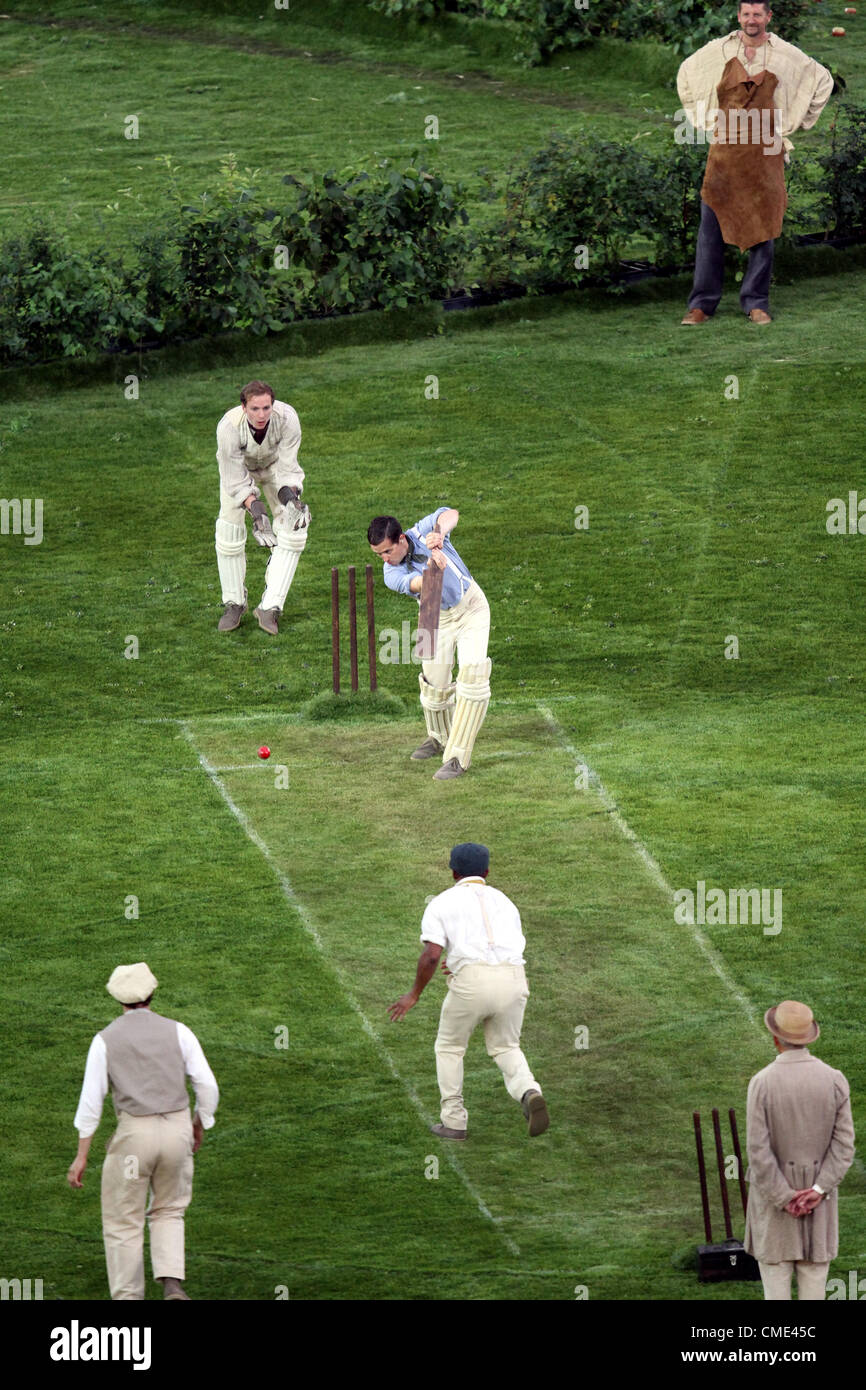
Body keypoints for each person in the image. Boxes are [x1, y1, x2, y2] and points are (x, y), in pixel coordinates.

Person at [67, 963, 219, 1301]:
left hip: (135, 1137)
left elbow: (91, 1102)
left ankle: (128, 1298)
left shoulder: (105, 1040)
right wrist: (198, 1123)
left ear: (118, 998)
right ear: (152, 993)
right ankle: (172, 1285)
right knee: (169, 1209)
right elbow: (207, 1085)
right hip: (177, 1131)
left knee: (124, 1220)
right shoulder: (179, 1031)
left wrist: (82, 1155)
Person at [677, 2, 833, 324]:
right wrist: (706, 121)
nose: (752, 20)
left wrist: (793, 123)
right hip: (725, 152)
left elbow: (821, 80)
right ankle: (702, 305)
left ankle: (755, 302)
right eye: (746, 14)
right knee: (711, 228)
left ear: (768, 17)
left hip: (765, 151)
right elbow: (687, 74)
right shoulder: (719, 51)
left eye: (757, 14)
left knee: (763, 225)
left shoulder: (784, 54)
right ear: (739, 17)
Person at [388, 843, 549, 1141]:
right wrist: (464, 960)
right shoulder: (506, 902)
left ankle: (454, 1121)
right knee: (506, 1047)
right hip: (514, 980)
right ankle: (529, 1091)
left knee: (449, 1047)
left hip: (473, 984)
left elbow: (432, 955)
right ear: (486, 872)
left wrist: (413, 994)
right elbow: (499, 945)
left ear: (453, 872)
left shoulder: (441, 903)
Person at [744, 999, 855, 1301]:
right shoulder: (834, 1080)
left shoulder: (761, 1083)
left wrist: (784, 1197)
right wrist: (818, 1190)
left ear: (775, 1037)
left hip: (773, 1208)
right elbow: (844, 1147)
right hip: (819, 1208)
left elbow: (758, 1152)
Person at [368, 507, 490, 780]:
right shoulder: (391, 574)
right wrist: (435, 566)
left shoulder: (421, 531)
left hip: (471, 608)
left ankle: (457, 757)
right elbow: (421, 584)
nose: (385, 560)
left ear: (400, 539)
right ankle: (438, 737)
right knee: (433, 686)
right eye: (378, 555)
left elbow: (451, 513)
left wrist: (438, 533)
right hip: (434, 614)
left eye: (387, 552)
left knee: (473, 680)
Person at [215, 378, 310, 634]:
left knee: (295, 529)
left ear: (273, 405)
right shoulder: (228, 428)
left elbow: (289, 468)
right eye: (255, 409)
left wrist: (292, 501)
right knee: (229, 531)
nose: (261, 414)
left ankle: (270, 607)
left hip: (275, 468)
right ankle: (234, 603)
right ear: (244, 407)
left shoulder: (287, 418)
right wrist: (256, 510)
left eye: (266, 408)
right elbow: (234, 478)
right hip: (239, 472)